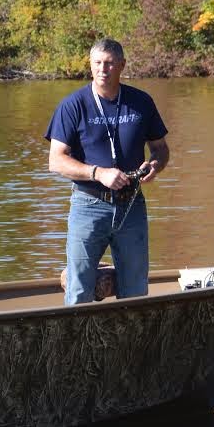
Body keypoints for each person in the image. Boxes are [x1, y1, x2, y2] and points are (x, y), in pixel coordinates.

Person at [45, 37, 170, 303]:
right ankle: (78, 331)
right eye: (98, 63)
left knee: (135, 290)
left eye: (110, 63)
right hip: (88, 205)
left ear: (122, 65)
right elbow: (56, 160)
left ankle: (130, 331)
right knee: (79, 289)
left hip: (131, 204)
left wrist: (154, 166)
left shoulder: (141, 102)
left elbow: (160, 149)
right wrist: (98, 173)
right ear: (90, 65)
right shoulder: (73, 105)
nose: (103, 69)